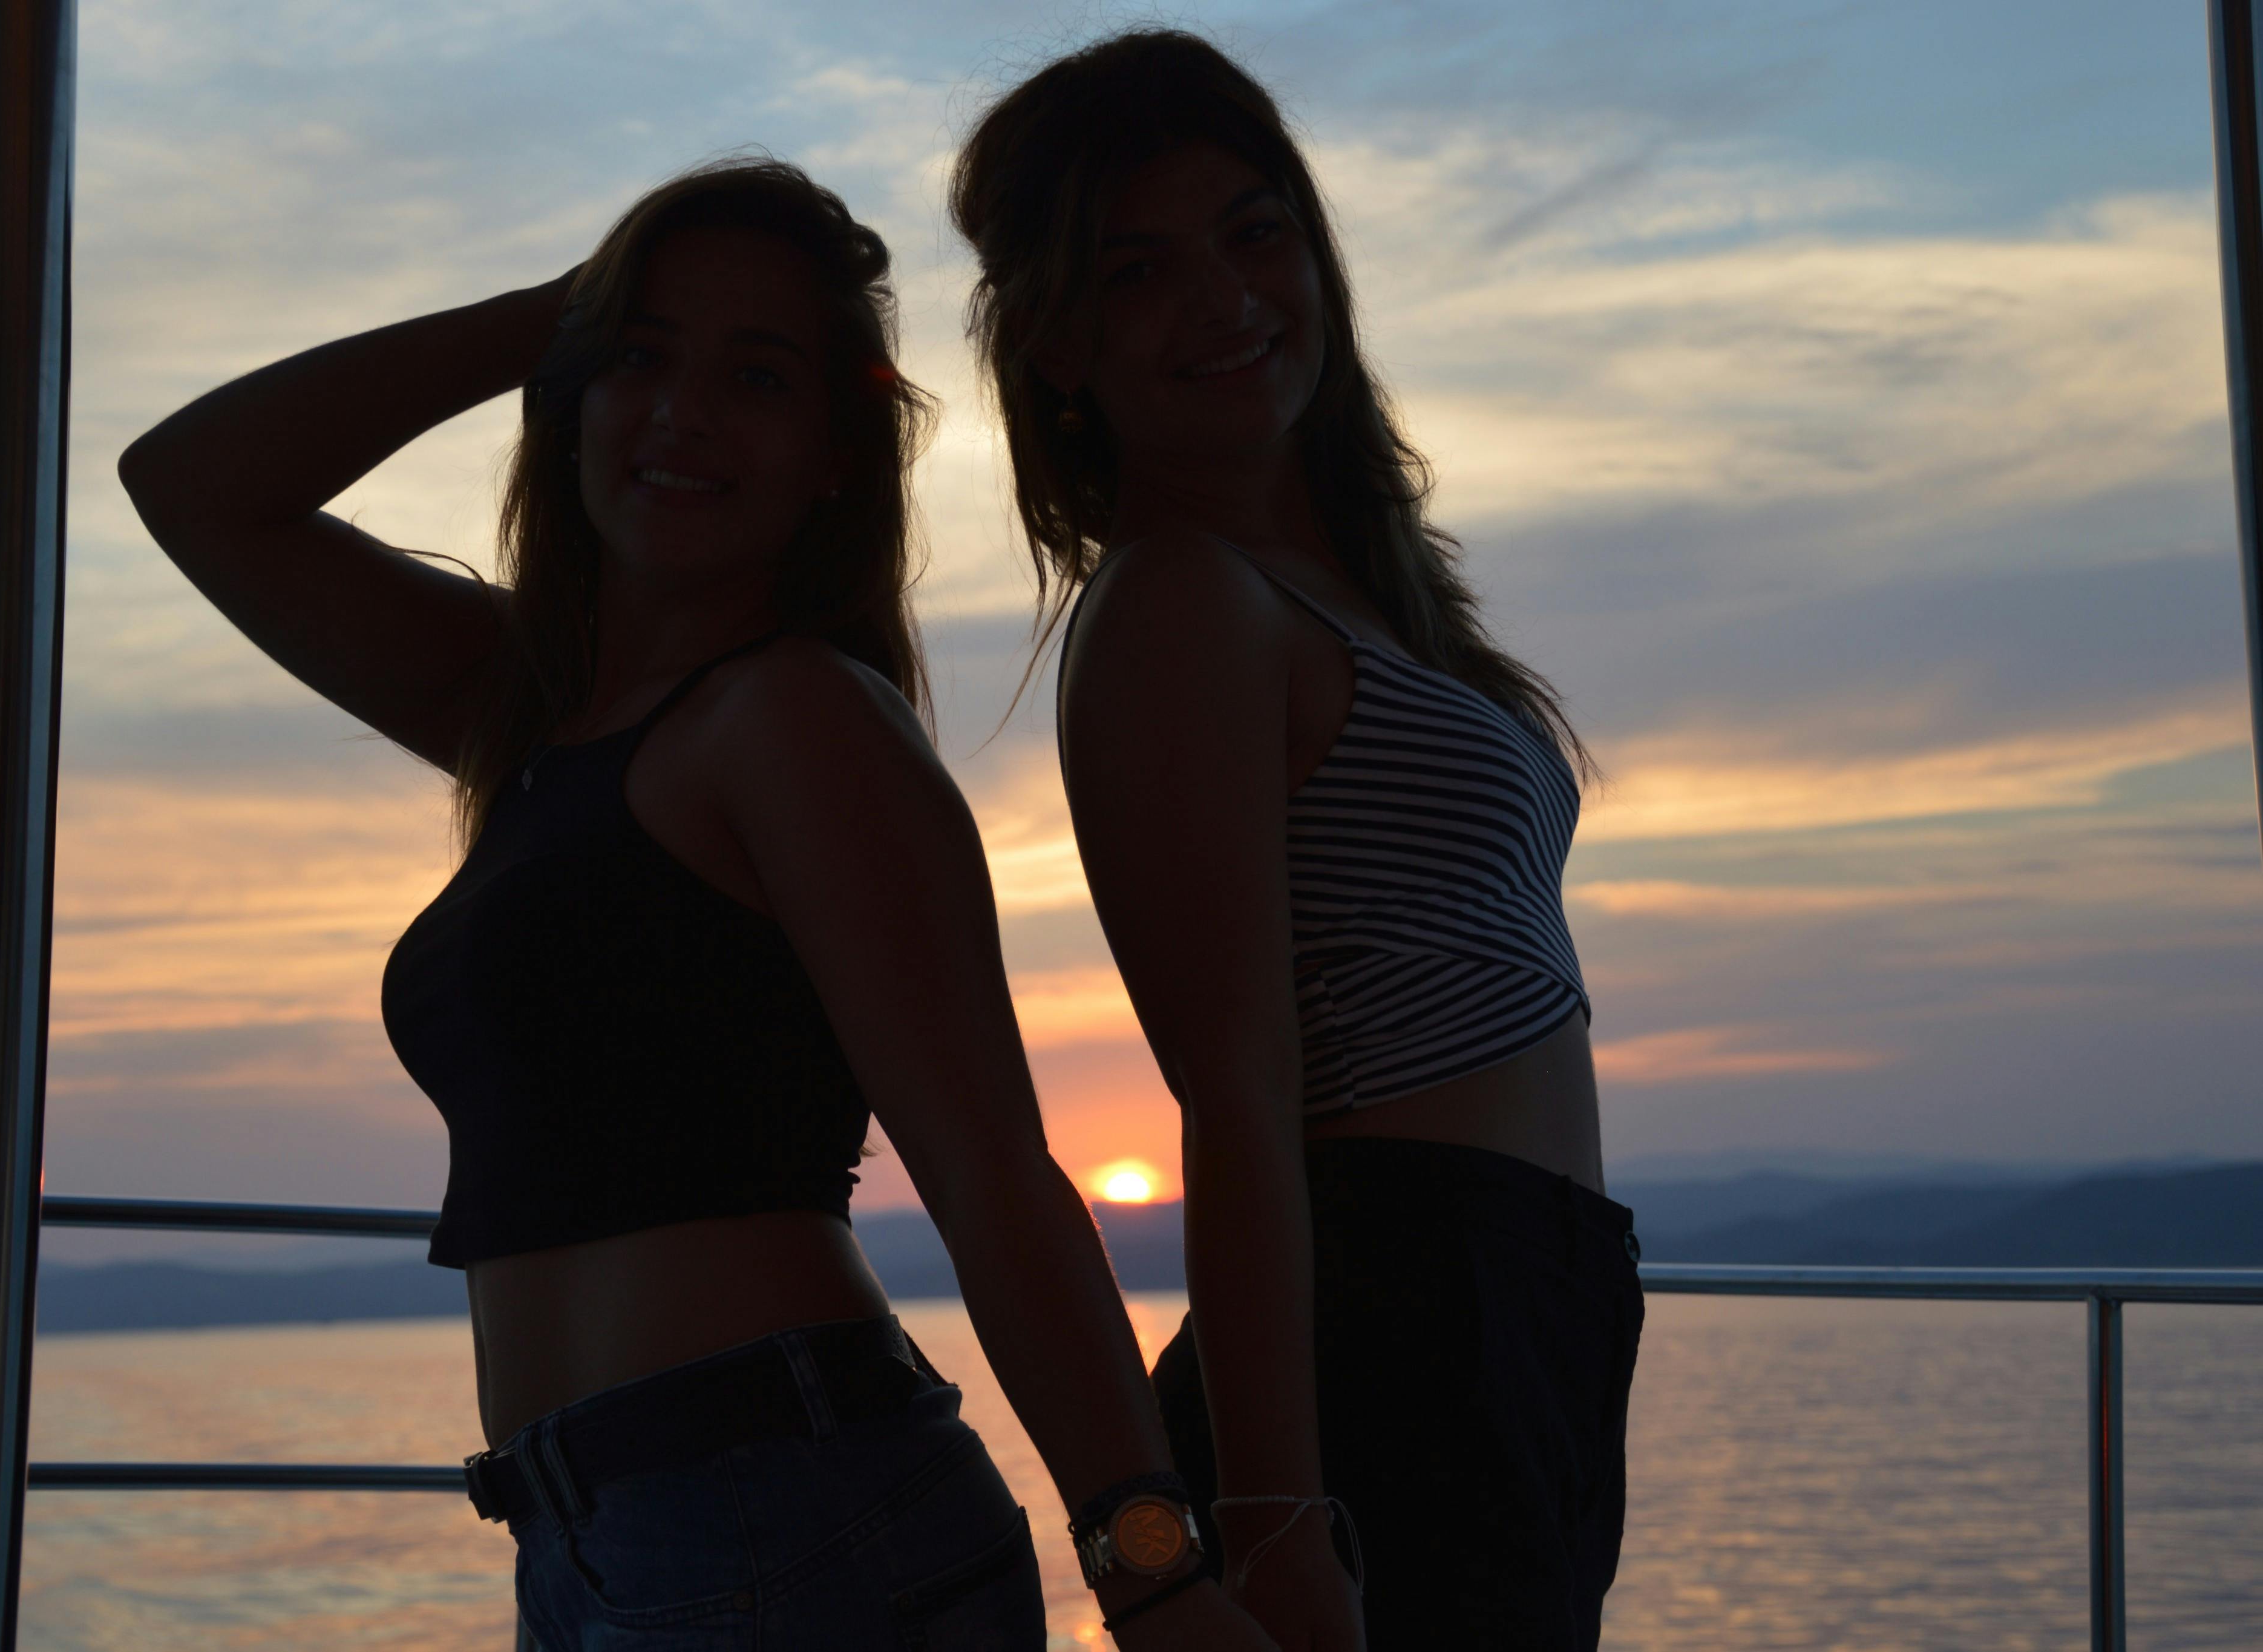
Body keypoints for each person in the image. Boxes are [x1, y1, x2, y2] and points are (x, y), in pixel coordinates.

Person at [120, 157, 1273, 1652]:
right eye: (641, 359)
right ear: (574, 396)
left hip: (788, 1523)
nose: (682, 412)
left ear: (834, 456)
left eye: (757, 376)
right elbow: (198, 488)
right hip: (594, 1541)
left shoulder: (796, 723)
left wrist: (1152, 1567)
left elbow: (992, 1175)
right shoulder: (530, 717)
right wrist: (546, 314)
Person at [951, 33, 1647, 1652]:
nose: (1225, 302)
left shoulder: (1351, 593)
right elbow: (1239, 1097)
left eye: (1255, 235)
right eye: (1141, 269)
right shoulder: (1183, 600)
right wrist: (1272, 1520)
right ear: (1057, 341)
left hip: (1520, 1304)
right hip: (1401, 1321)